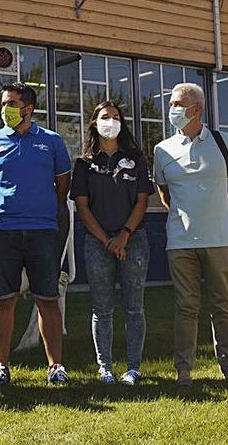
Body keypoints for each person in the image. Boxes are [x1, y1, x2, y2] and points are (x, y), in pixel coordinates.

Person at [151, 82, 228, 386]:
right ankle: (184, 372)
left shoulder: (224, 142)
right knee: (186, 307)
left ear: (196, 108)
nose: (172, 110)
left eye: (177, 104)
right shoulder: (162, 149)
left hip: (219, 239)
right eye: (170, 104)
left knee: (223, 306)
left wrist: (221, 216)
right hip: (180, 242)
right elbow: (164, 195)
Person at [0, 82, 72, 386]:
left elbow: (62, 185)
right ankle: (1, 366)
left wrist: (40, 208)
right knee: (3, 299)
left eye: (12, 103)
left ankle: (55, 366)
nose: (5, 109)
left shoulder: (53, 141)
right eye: (4, 103)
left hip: (43, 230)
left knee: (47, 298)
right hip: (3, 229)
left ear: (28, 108)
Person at [71, 101, 153, 386]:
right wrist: (106, 239)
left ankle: (133, 368)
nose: (111, 121)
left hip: (134, 241)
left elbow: (143, 200)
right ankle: (105, 367)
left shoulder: (135, 158)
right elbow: (82, 207)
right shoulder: (84, 164)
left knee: (134, 307)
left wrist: (124, 235)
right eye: (105, 117)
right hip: (98, 244)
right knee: (102, 308)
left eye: (116, 117)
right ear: (94, 123)